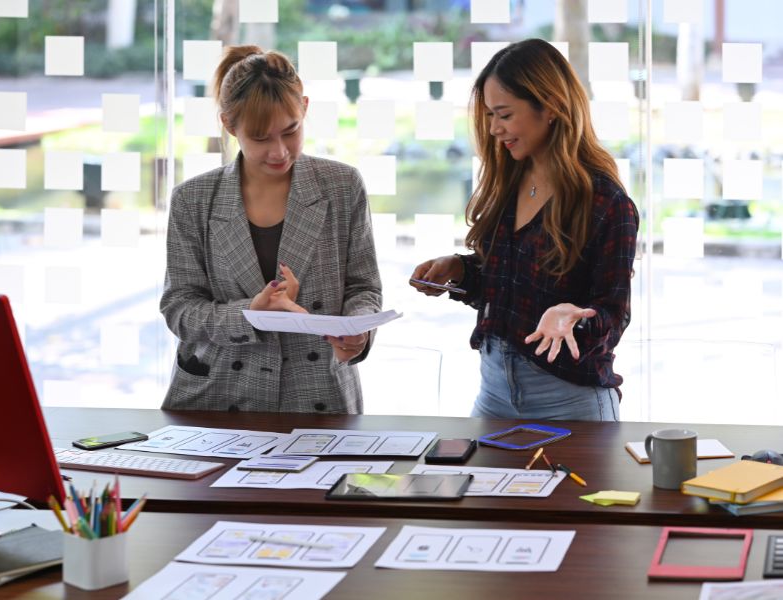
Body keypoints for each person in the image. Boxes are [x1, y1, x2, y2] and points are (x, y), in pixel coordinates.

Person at [410, 39, 639, 421]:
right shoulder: (508, 180)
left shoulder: (606, 202)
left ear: (548, 107)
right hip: (493, 393)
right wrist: (459, 269)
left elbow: (613, 317)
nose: (494, 129)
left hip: (569, 403)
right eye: (488, 115)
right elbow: (507, 288)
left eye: (504, 114)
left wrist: (573, 316)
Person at [161, 45, 382, 413]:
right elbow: (179, 308)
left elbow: (363, 286)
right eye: (261, 138)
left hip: (317, 394)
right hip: (218, 395)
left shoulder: (342, 186)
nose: (279, 151)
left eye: (291, 131)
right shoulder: (193, 199)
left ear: (305, 108)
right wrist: (251, 313)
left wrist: (357, 330)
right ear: (230, 126)